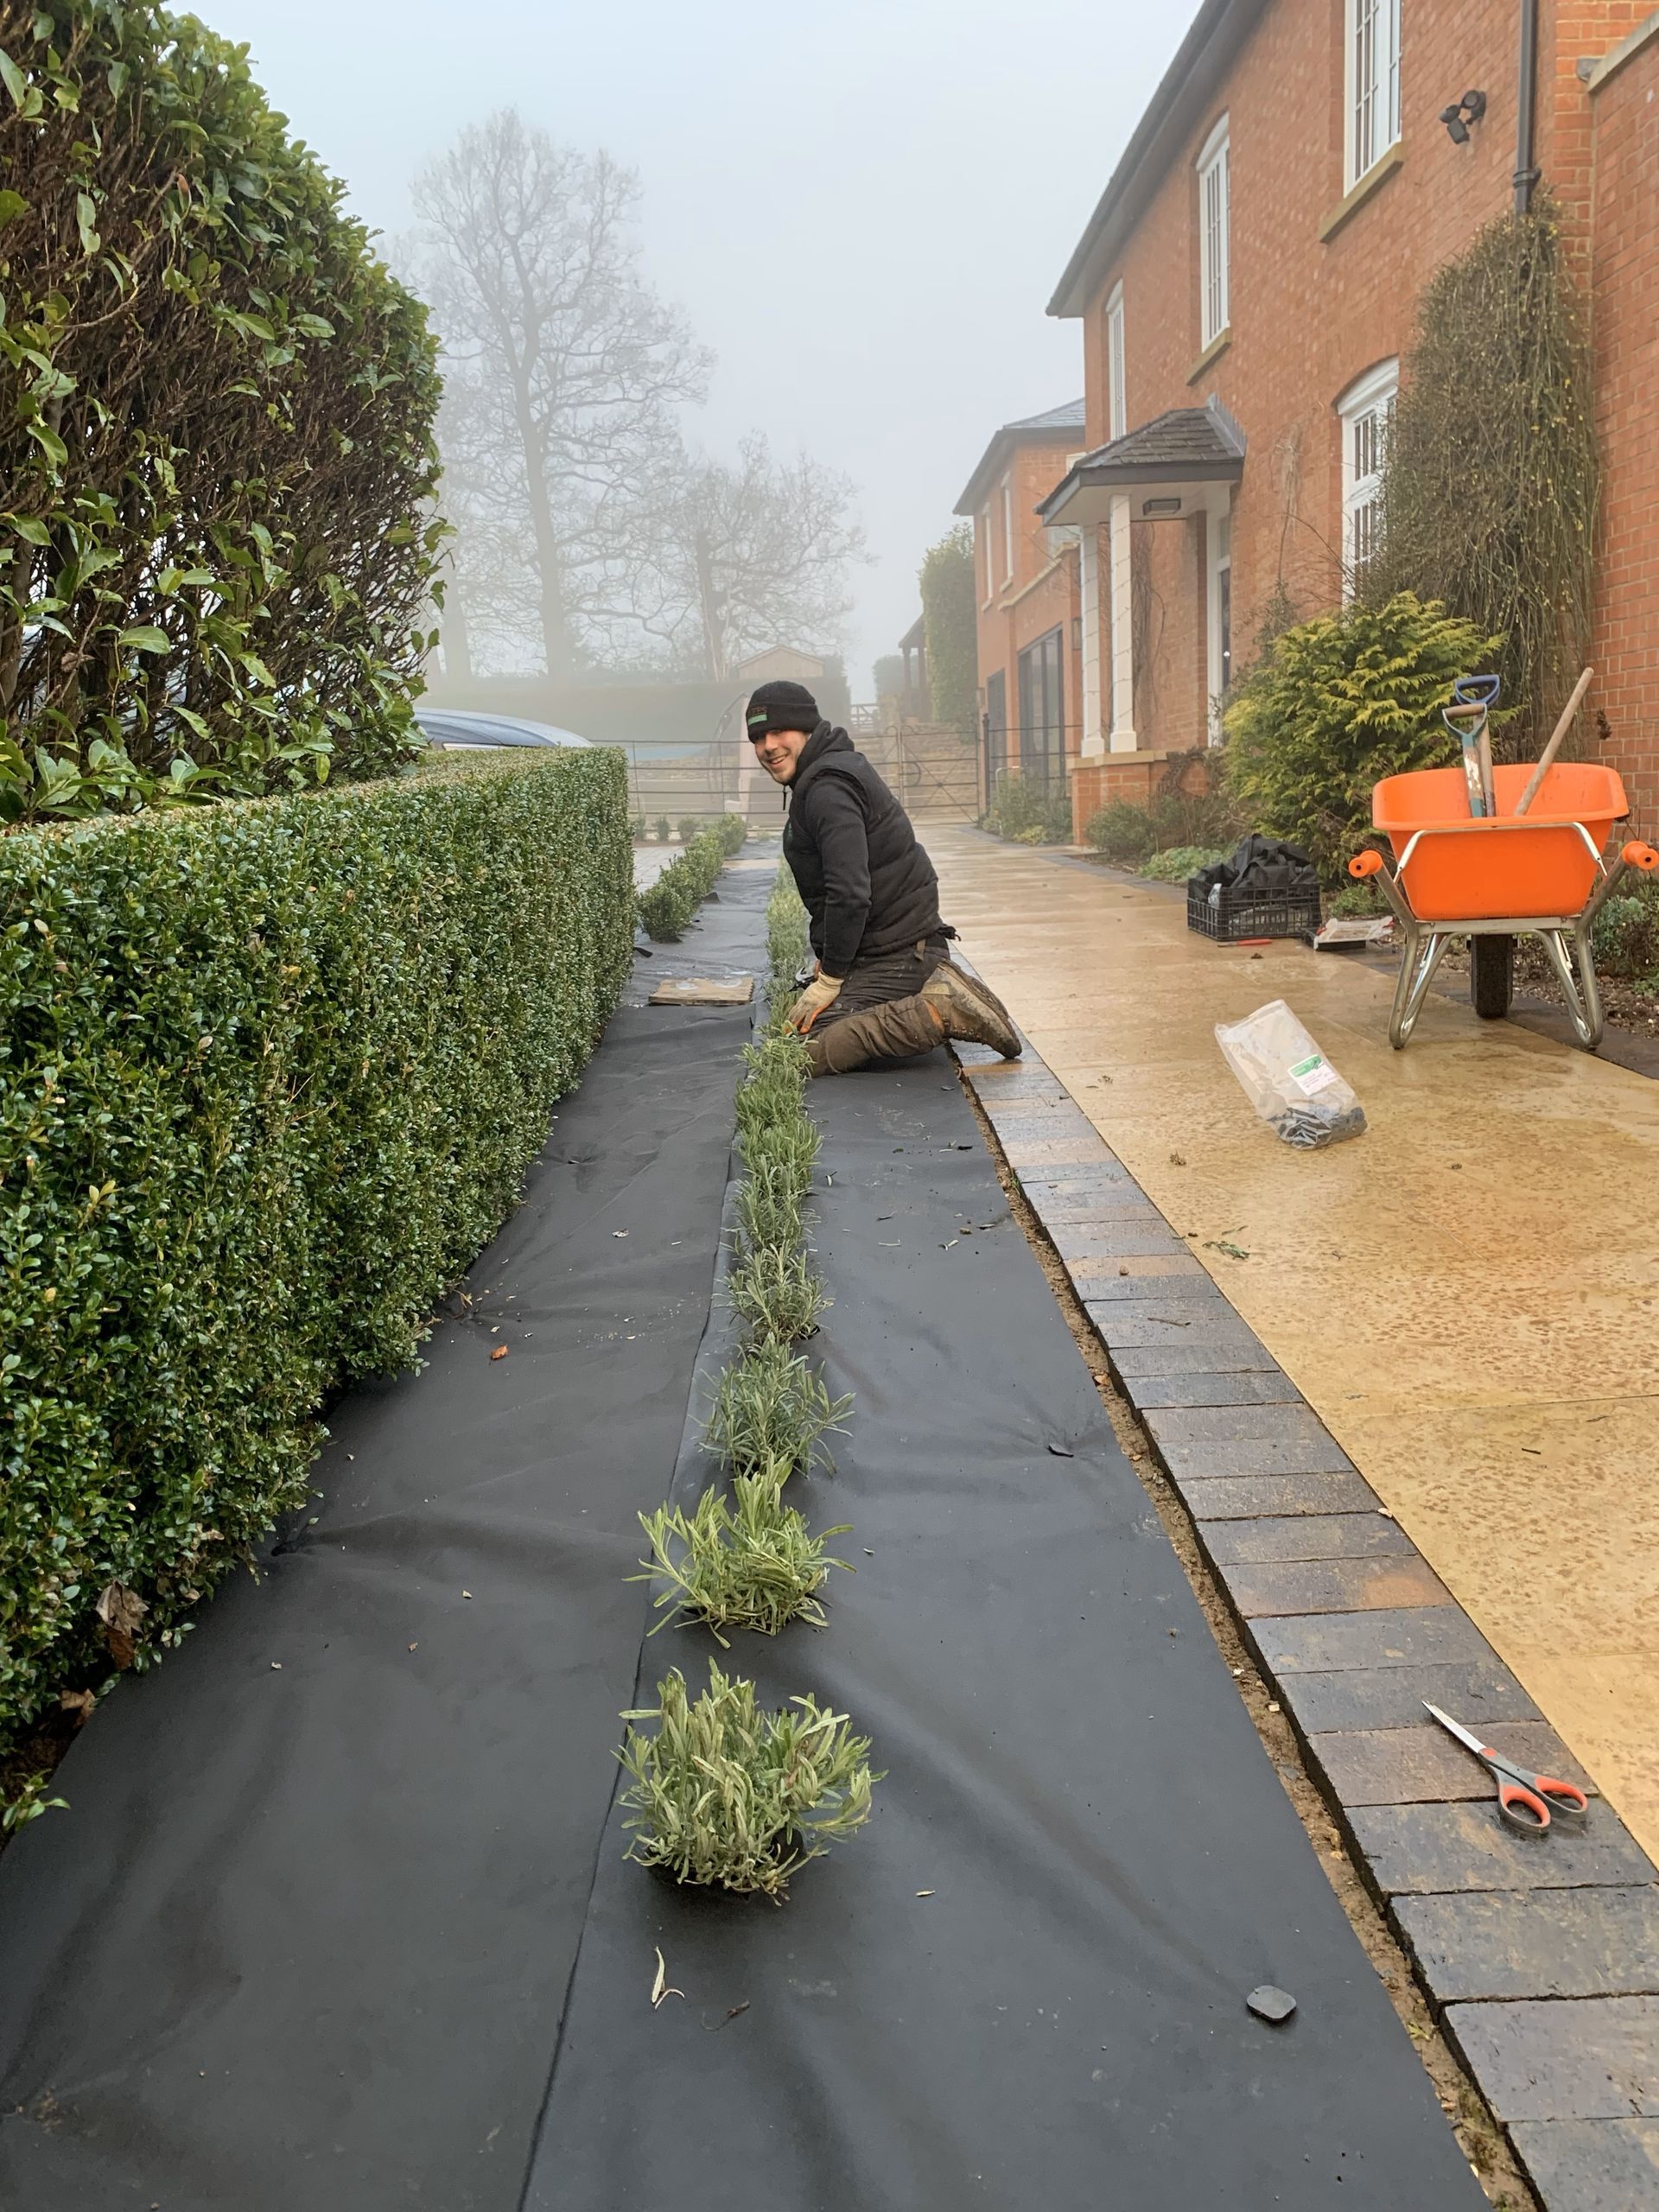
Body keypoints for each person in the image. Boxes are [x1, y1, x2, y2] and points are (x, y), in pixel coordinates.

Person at [745, 678, 1022, 1076]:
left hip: (900, 954)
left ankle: (937, 1008)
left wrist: (832, 980)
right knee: (797, 1027)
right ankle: (936, 987)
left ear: (806, 728)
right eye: (758, 737)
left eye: (778, 731)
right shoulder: (824, 775)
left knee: (803, 1050)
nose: (767, 746)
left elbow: (850, 893)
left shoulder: (827, 789)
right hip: (896, 947)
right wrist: (830, 960)